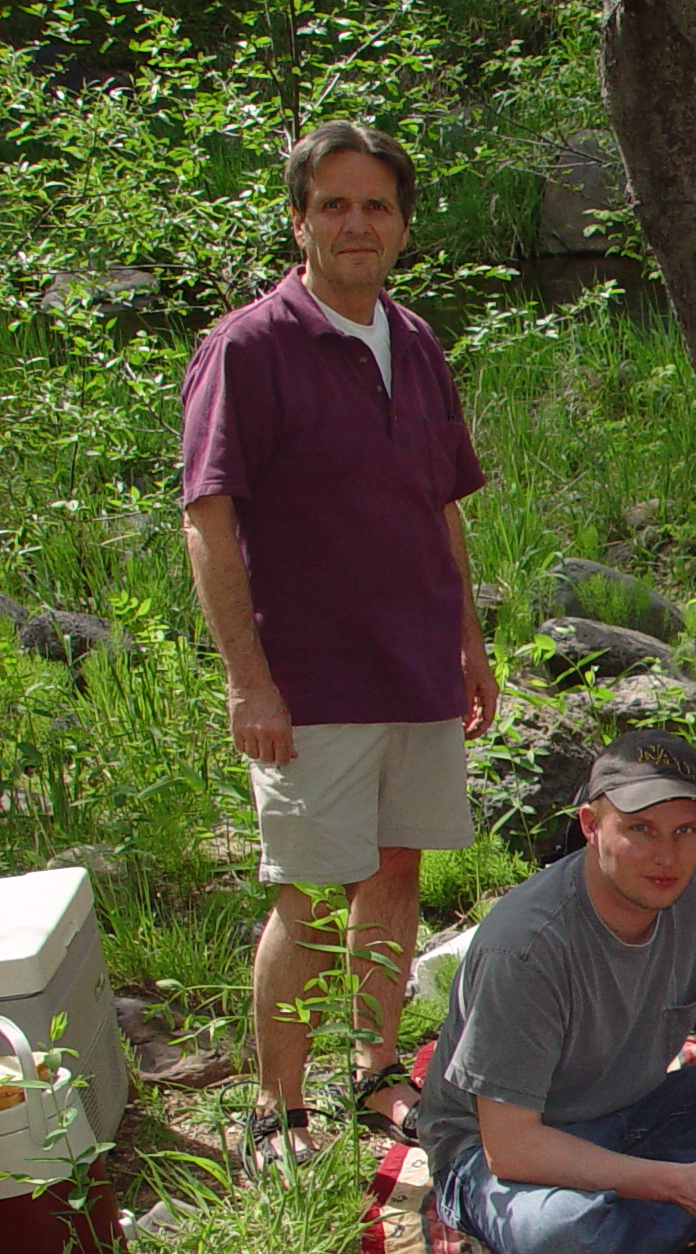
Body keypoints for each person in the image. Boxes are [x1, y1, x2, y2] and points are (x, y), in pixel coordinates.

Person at [180, 120, 501, 1168]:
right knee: (310, 888)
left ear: (403, 225)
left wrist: (468, 640)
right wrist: (249, 682)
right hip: (307, 678)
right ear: (299, 219)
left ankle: (372, 1075)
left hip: (411, 661)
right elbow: (210, 518)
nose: (356, 224)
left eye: (376, 205)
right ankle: (276, 1108)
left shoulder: (412, 341)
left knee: (395, 870)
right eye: (334, 204)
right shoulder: (251, 347)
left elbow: (440, 506)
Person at [413, 731, 696, 1254]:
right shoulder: (527, 944)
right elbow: (512, 1146)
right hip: (504, 1150)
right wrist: (671, 1183)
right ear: (591, 827)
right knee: (565, 1240)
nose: (667, 856)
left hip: (638, 1109)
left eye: (685, 831)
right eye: (640, 830)